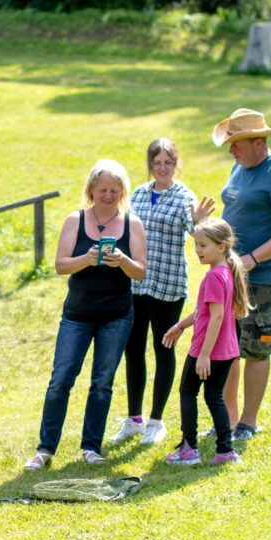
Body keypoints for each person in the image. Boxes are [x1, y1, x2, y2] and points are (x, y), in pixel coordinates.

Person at [24, 160, 147, 470]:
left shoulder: (132, 224)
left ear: (123, 192)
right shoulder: (74, 220)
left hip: (117, 315)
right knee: (61, 379)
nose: (108, 195)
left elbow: (141, 272)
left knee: (102, 382)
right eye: (102, 189)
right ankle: (45, 448)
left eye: (114, 190)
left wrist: (122, 261)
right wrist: (87, 259)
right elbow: (60, 265)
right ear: (91, 189)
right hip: (77, 315)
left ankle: (91, 447)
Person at [111, 138, 213, 447]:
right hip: (135, 284)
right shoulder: (139, 194)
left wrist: (199, 221)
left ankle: (156, 422)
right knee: (133, 349)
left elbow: (198, 234)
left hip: (168, 286)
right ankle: (134, 420)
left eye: (168, 162)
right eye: (157, 163)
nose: (162, 168)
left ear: (175, 164)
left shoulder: (184, 197)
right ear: (150, 164)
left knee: (163, 348)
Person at [209, 108, 271, 443]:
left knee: (257, 349)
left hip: (264, 278)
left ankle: (248, 423)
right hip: (232, 273)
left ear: (258, 142)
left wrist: (252, 259)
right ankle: (228, 420)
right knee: (229, 348)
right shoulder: (241, 166)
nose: (231, 150)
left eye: (236, 143)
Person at [162, 218, 251, 465]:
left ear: (221, 247)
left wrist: (203, 355)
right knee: (214, 396)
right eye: (196, 245)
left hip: (208, 350)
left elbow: (217, 317)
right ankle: (225, 451)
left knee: (188, 392)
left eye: (203, 245)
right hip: (227, 351)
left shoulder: (214, 276)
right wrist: (180, 326)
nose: (197, 250)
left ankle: (189, 449)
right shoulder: (227, 271)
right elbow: (204, 311)